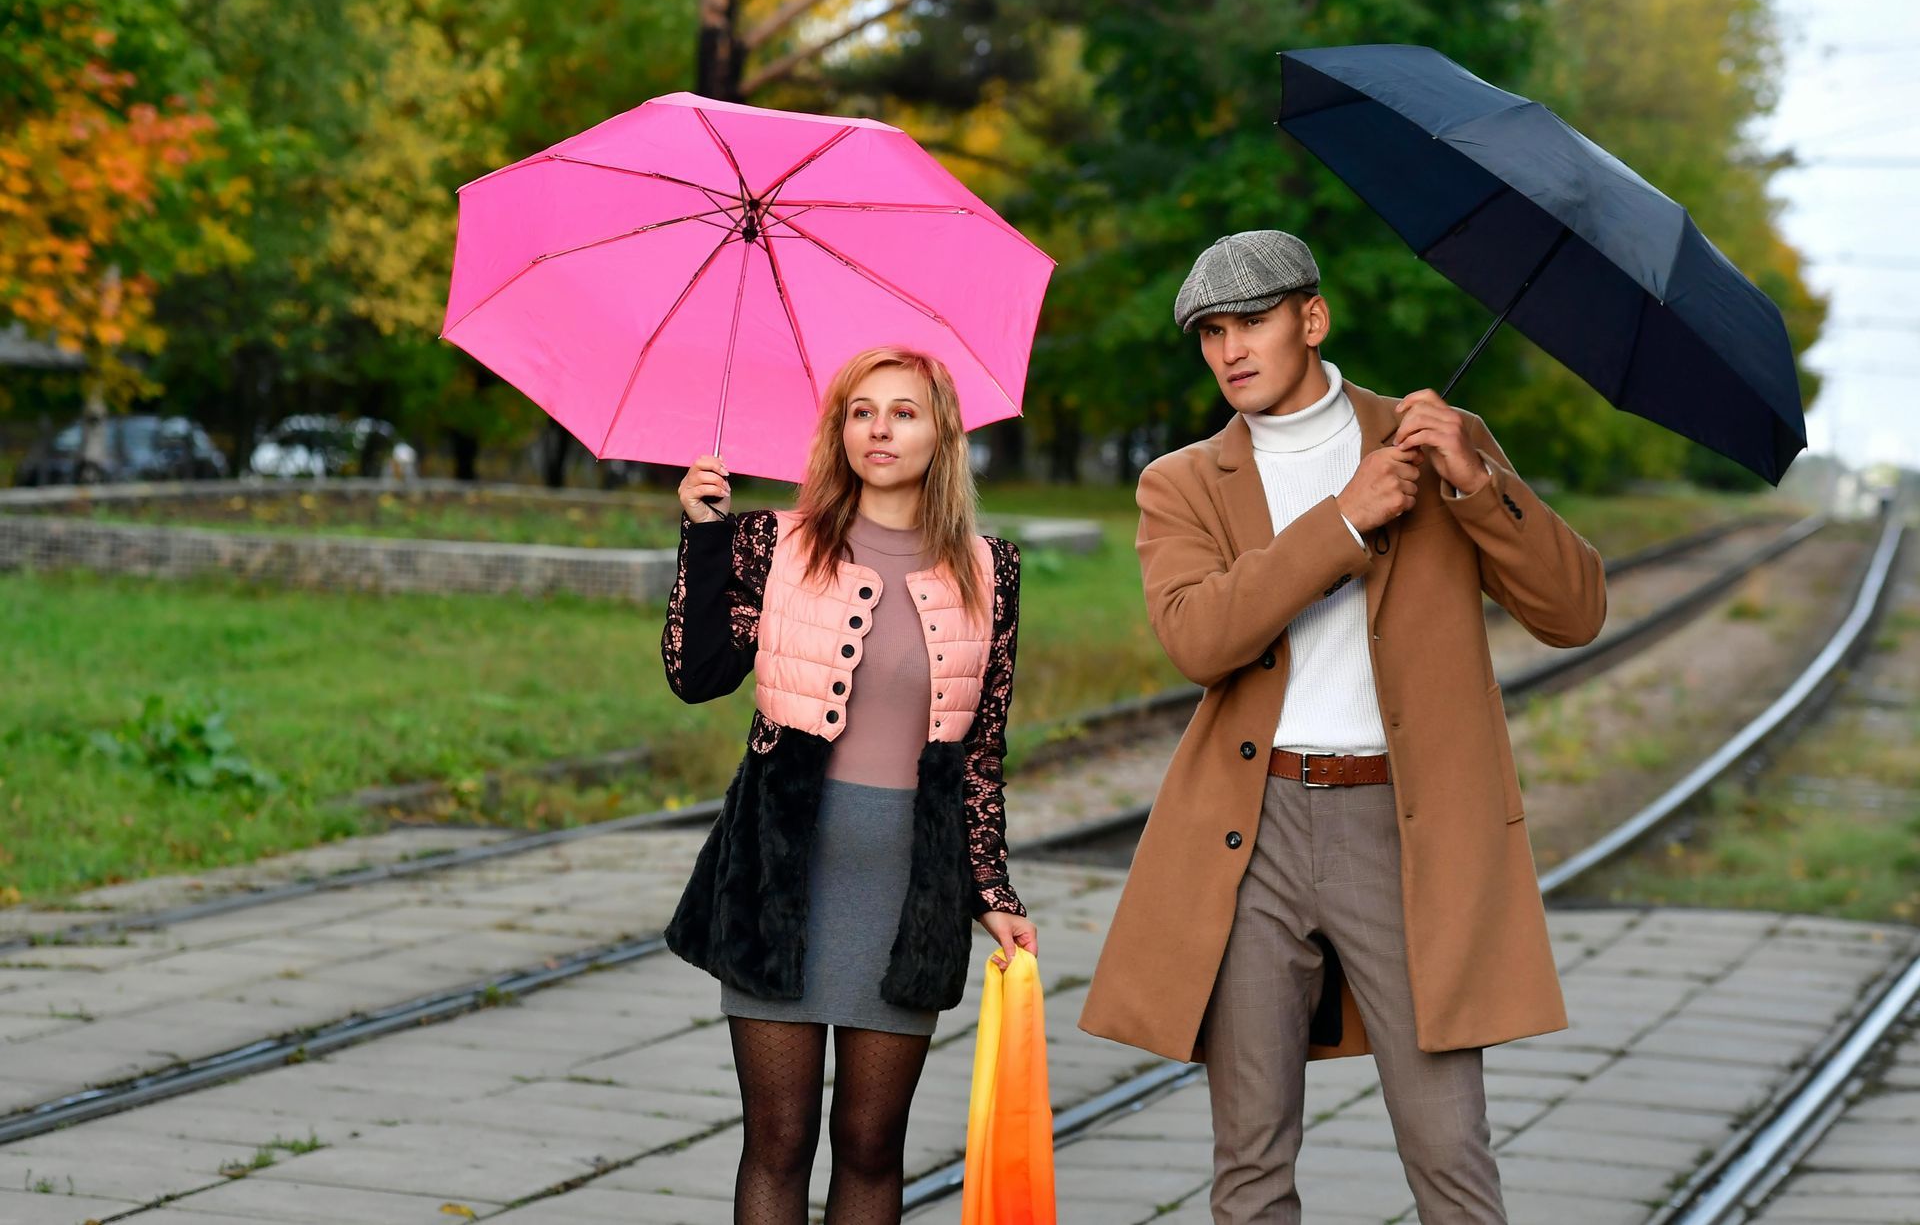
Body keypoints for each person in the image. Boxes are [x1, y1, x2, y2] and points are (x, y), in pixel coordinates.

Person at [1078, 231, 1608, 1223]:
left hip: (1403, 834)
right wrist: (1343, 521)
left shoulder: (1431, 438)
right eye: (1211, 334)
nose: (1231, 349)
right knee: (1250, 1159)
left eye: (1254, 322)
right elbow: (1200, 638)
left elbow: (1575, 612)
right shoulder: (1182, 482)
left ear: (1311, 320)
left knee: (1450, 1150)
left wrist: (1473, 480)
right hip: (1252, 832)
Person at [662, 345, 1038, 1224]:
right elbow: (697, 671)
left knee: (873, 1147)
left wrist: (992, 890)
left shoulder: (991, 571)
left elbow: (982, 750)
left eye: (904, 411)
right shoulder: (773, 543)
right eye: (861, 411)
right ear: (838, 430)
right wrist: (704, 536)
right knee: (779, 1140)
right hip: (778, 873)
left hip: (908, 887)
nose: (880, 429)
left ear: (942, 431)